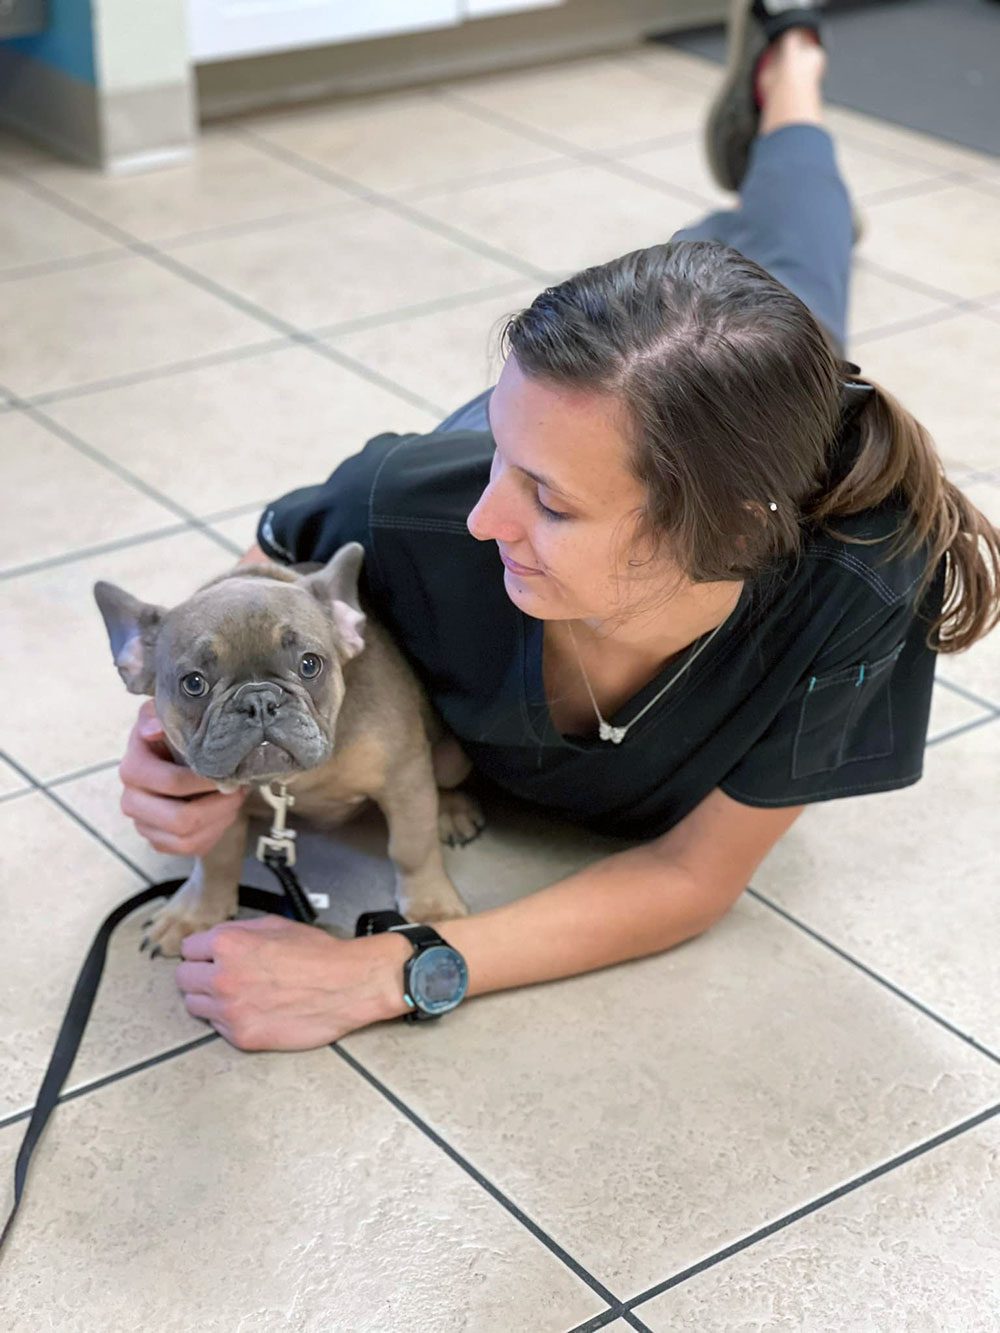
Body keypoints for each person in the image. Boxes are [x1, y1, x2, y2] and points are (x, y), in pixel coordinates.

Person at [118, 0, 1000, 1052]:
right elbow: (254, 588)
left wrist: (392, 971)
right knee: (713, 296)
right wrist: (167, 753)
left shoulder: (854, 582)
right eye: (503, 454)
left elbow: (689, 876)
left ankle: (794, 59)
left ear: (723, 528)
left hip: (757, 413)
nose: (490, 520)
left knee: (801, 261)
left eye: (550, 499)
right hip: (631, 420)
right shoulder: (410, 502)